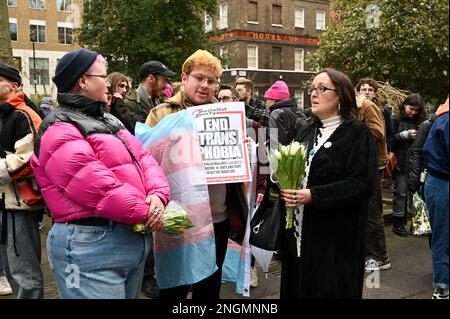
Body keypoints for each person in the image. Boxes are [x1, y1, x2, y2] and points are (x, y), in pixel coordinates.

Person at [30, 48, 171, 299]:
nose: (108, 83)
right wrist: (148, 211)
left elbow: (145, 159)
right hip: (89, 248)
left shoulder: (110, 121)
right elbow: (94, 185)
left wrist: (158, 196)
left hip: (127, 238)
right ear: (82, 81)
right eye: (103, 76)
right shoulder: (58, 127)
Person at [146, 49, 248, 299]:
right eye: (199, 78)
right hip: (178, 217)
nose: (205, 85)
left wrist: (244, 150)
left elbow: (240, 168)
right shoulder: (161, 113)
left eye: (211, 81)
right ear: (184, 77)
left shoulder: (228, 115)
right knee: (174, 287)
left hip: (217, 217)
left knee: (209, 288)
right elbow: (145, 161)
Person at [280, 68, 377, 298]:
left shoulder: (357, 133)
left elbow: (362, 183)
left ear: (341, 96)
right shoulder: (306, 130)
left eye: (322, 89)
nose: (314, 94)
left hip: (335, 241)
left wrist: (314, 195)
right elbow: (291, 170)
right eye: (312, 89)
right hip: (299, 233)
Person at [0, 63, 44, 299]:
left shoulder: (25, 114)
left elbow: (30, 161)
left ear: (14, 85)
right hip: (6, 202)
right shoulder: (6, 114)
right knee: (11, 267)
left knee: (24, 271)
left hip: (20, 204)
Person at [355, 94, 391, 272]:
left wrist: (353, 127)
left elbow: (378, 132)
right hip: (358, 165)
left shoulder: (367, 107)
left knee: (372, 211)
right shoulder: (353, 108)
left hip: (372, 164)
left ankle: (379, 257)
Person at [423, 97, 449, 299]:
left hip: (438, 181)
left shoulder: (443, 116)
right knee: (442, 236)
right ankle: (442, 287)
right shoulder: (446, 119)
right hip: (442, 183)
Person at [391, 93, 427, 236]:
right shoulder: (396, 119)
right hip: (400, 162)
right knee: (400, 192)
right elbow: (390, 140)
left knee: (416, 194)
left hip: (417, 164)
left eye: (416, 110)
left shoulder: (423, 121)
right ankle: (397, 223)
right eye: (411, 109)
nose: (413, 112)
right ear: (405, 105)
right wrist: (404, 135)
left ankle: (417, 223)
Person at [356, 78, 394, 151]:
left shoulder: (383, 111)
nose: (367, 92)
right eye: (364, 89)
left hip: (377, 151)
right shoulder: (353, 109)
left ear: (375, 94)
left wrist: (387, 148)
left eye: (370, 90)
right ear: (358, 92)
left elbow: (389, 133)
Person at [264, 80, 304, 148]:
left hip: (281, 157)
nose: (265, 104)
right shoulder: (299, 113)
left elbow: (275, 145)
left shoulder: (276, 114)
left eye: (267, 99)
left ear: (274, 99)